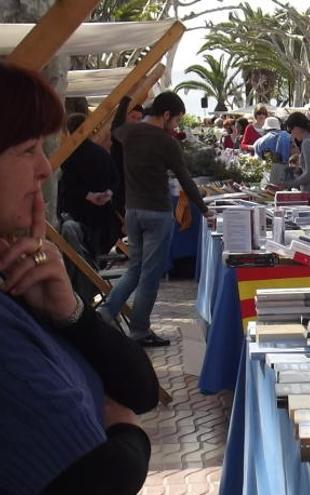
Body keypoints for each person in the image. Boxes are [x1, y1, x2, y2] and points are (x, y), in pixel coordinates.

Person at [0, 61, 159, 495]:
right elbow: (99, 474)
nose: (44, 169)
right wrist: (125, 427)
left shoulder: (16, 282)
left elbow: (142, 389)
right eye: (28, 149)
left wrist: (69, 312)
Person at [99, 91, 211, 347]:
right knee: (150, 275)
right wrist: (204, 210)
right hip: (158, 213)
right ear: (167, 114)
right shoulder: (166, 142)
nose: (176, 126)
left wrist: (126, 98)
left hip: (133, 211)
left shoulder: (129, 133)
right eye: (176, 120)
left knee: (134, 269)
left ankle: (105, 313)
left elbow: (116, 126)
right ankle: (139, 330)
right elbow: (185, 179)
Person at [58, 113, 120, 300]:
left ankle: (84, 293)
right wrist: (107, 194)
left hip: (81, 219)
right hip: (104, 224)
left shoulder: (68, 158)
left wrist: (88, 196)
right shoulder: (101, 153)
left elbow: (66, 189)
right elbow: (116, 180)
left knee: (79, 257)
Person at [110, 97, 145, 221]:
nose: (135, 121)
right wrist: (125, 101)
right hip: (121, 191)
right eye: (133, 117)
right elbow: (116, 127)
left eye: (139, 119)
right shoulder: (121, 136)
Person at [255, 117, 294, 187]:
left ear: (265, 129)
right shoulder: (288, 136)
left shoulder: (259, 141)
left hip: (269, 173)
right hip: (288, 170)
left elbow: (260, 158)